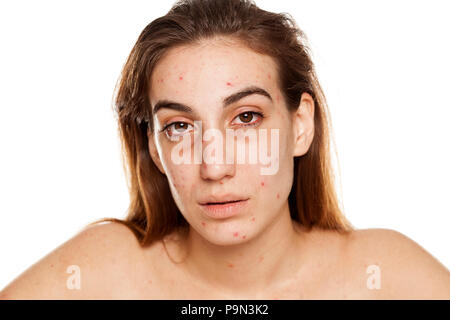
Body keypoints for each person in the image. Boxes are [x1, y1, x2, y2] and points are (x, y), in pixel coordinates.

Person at [1, 0, 449, 299]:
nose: (214, 167)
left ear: (300, 125)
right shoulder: (101, 273)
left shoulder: (386, 277)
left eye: (246, 118)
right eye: (178, 126)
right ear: (154, 149)